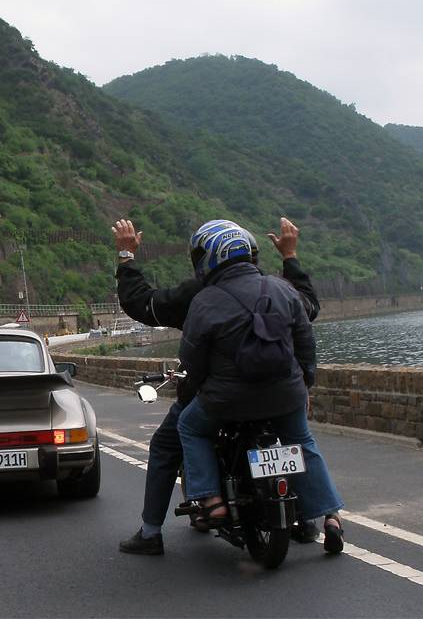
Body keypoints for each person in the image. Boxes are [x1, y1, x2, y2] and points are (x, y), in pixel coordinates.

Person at [114, 217, 320, 556]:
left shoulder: (198, 296)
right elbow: (308, 307)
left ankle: (152, 531)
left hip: (218, 395)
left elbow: (143, 304)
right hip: (280, 388)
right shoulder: (275, 288)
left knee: (167, 444)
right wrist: (290, 256)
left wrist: (126, 255)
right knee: (297, 436)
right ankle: (309, 516)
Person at [175, 220, 345, 554]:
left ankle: (212, 501)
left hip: (227, 401)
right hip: (286, 393)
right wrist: (305, 385)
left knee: (190, 427)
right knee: (302, 440)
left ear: (207, 259)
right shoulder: (283, 289)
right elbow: (305, 344)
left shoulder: (205, 302)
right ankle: (331, 516)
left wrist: (199, 387)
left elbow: (192, 360)